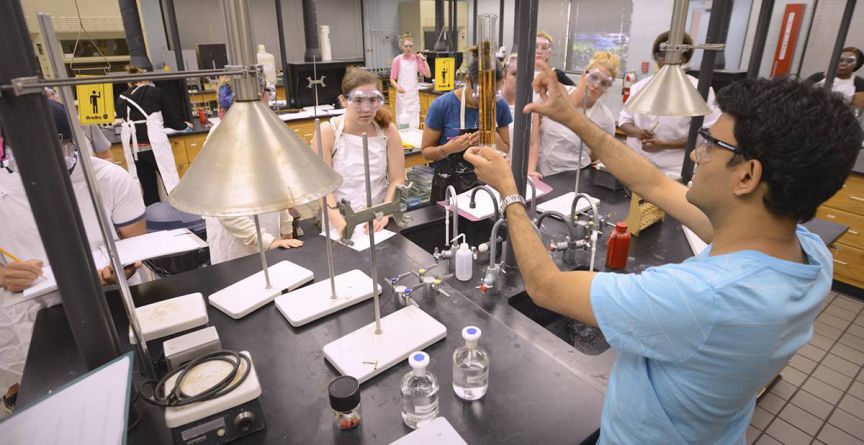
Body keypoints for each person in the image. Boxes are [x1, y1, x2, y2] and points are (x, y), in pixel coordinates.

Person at [464, 64, 862, 444]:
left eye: (710, 144)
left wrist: (509, 191)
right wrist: (572, 117)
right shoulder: (805, 253)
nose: (694, 155)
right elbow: (654, 183)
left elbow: (546, 287)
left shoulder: (699, 299)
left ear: (747, 175)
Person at [0, 104, 147, 414]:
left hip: (106, 299)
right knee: (42, 401)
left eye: (58, 151)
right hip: (28, 311)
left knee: (122, 389)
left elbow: (138, 247)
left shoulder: (109, 179)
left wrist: (123, 269)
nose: (43, 166)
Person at [204, 81, 302, 265]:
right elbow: (226, 211)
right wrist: (268, 241)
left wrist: (286, 225)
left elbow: (277, 182)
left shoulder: (261, 132)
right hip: (237, 243)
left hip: (269, 235)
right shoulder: (221, 141)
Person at [312, 69, 406, 236]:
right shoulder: (328, 132)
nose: (366, 108)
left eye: (372, 100)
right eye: (358, 100)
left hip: (379, 222)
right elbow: (322, 189)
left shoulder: (387, 130)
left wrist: (386, 210)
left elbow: (397, 178)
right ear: (343, 101)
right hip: (339, 221)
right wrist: (343, 226)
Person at [619, 31, 721, 179]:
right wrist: (638, 133)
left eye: (676, 55)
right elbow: (624, 121)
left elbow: (708, 135)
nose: (668, 60)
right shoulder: (640, 87)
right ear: (656, 56)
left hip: (674, 171)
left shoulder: (701, 90)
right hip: (635, 163)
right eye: (662, 54)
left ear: (684, 58)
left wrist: (665, 144)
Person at [421, 49, 512, 201]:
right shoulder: (442, 106)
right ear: (467, 79)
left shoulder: (500, 105)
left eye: (492, 93)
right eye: (481, 92)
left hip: (487, 187)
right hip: (449, 191)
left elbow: (505, 149)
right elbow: (426, 152)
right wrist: (447, 149)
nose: (485, 99)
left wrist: (492, 136)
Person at [528, 51, 618, 179]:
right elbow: (533, 138)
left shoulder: (605, 118)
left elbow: (601, 154)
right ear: (583, 74)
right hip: (539, 173)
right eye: (594, 77)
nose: (596, 85)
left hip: (573, 177)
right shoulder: (556, 94)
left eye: (604, 83)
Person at [117, 65, 192, 205]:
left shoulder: (121, 98)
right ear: (145, 79)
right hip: (154, 145)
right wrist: (183, 125)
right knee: (168, 180)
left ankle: (155, 218)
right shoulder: (156, 92)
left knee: (148, 186)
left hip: (135, 149)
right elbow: (170, 119)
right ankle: (178, 211)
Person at [45, 87, 113, 161]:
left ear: (56, 95)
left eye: (48, 96)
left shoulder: (83, 121)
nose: (47, 102)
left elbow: (106, 157)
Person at [390, 33, 431, 129]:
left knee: (414, 121)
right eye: (406, 46)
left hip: (413, 95)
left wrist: (424, 60)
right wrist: (398, 88)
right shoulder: (397, 60)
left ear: (413, 47)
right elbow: (392, 78)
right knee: (403, 121)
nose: (408, 48)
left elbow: (428, 74)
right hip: (402, 95)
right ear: (402, 47)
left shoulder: (416, 60)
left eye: (410, 46)